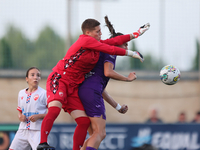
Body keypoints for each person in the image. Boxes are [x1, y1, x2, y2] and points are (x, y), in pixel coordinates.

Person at [37, 18, 150, 150]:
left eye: (100, 31)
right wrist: (132, 54)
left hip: (74, 86)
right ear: (88, 32)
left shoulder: (95, 44)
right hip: (60, 78)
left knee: (84, 122)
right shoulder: (86, 40)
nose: (100, 33)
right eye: (97, 31)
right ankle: (42, 143)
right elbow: (111, 50)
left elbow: (114, 41)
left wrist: (136, 33)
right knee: (56, 109)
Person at [78, 16, 143, 150]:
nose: (126, 47)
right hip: (92, 92)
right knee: (100, 133)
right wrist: (127, 78)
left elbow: (101, 88)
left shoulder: (102, 51)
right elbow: (108, 72)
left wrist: (118, 107)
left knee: (93, 135)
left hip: (84, 91)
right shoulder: (110, 52)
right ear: (117, 43)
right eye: (125, 44)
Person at [9, 67, 47, 150]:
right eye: (32, 75)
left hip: (37, 131)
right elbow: (20, 110)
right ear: (27, 79)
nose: (35, 77)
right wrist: (20, 116)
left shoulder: (44, 93)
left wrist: (38, 116)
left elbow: (52, 113)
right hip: (22, 129)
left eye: (38, 75)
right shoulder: (21, 93)